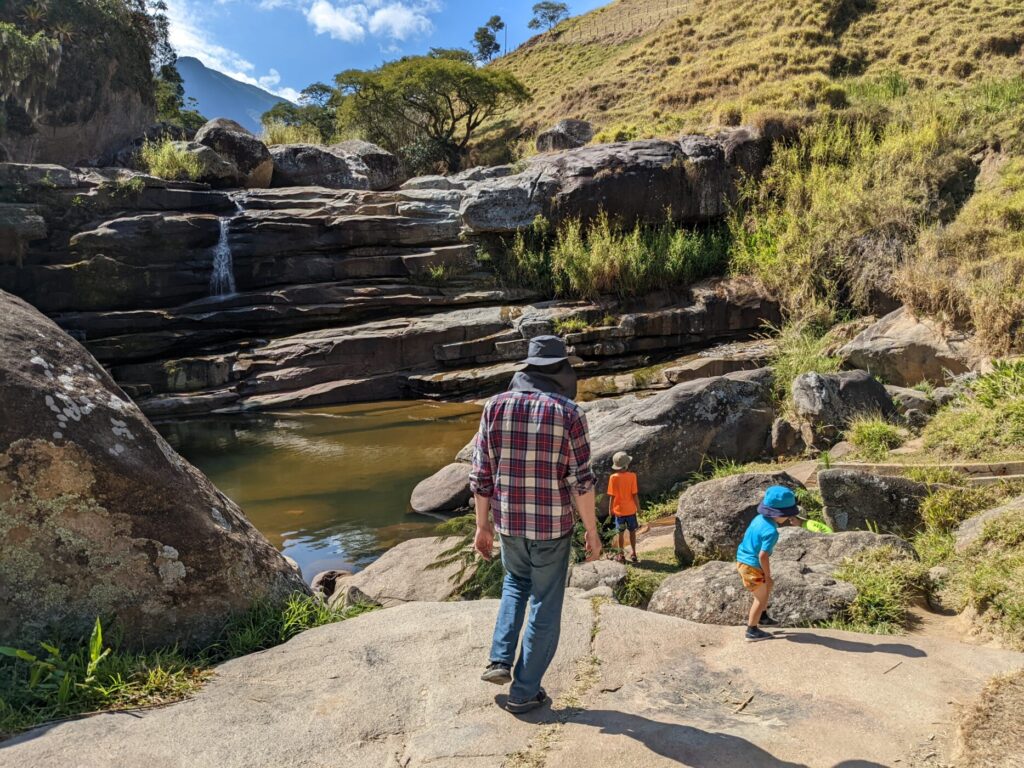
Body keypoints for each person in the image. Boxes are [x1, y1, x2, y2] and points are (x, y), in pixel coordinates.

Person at [470, 335, 601, 714]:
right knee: (544, 601)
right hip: (551, 527)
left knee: (514, 583)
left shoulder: (494, 407)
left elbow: (481, 474)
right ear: (561, 371)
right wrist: (592, 531)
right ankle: (524, 691)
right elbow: (582, 481)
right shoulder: (570, 413)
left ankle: (499, 660)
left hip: (509, 521)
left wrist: (483, 526)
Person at [735, 485, 803, 642]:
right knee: (760, 598)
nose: (787, 518)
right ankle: (752, 630)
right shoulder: (772, 531)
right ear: (781, 514)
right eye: (788, 515)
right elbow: (763, 556)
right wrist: (767, 575)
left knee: (767, 588)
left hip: (743, 559)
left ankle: (763, 617)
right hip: (751, 566)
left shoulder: (758, 519)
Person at [606, 451, 640, 563]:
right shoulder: (632, 476)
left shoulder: (613, 478)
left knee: (620, 533)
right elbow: (634, 495)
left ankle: (621, 555)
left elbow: (612, 495)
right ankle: (634, 553)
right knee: (632, 532)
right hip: (631, 510)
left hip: (619, 512)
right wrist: (638, 509)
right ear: (627, 465)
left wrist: (610, 509)